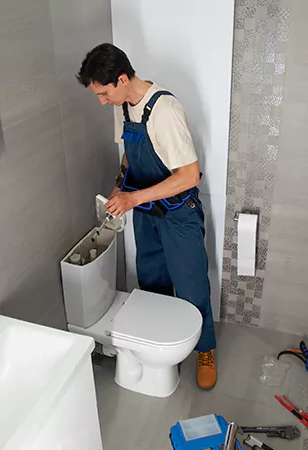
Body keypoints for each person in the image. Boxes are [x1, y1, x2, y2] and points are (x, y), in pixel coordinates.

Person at [77, 43, 217, 390]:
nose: (102, 101)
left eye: (104, 93)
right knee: (152, 280)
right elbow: (130, 155)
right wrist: (118, 189)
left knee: (191, 284)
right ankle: (162, 341)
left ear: (123, 79)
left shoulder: (164, 110)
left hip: (178, 214)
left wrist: (133, 197)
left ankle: (205, 349)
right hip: (146, 213)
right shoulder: (123, 105)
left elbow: (189, 176)